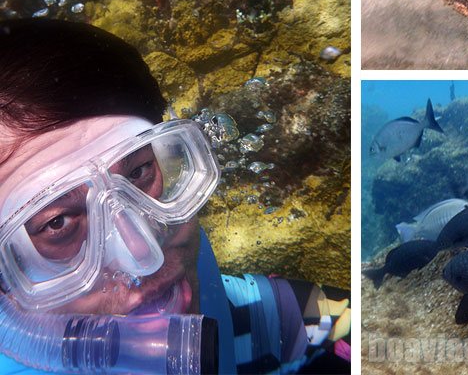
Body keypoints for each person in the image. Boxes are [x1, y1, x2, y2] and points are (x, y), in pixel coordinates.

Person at [0, 19, 350, 375]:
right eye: (57, 223)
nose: (143, 255)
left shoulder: (194, 285)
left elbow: (281, 321)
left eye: (139, 172)